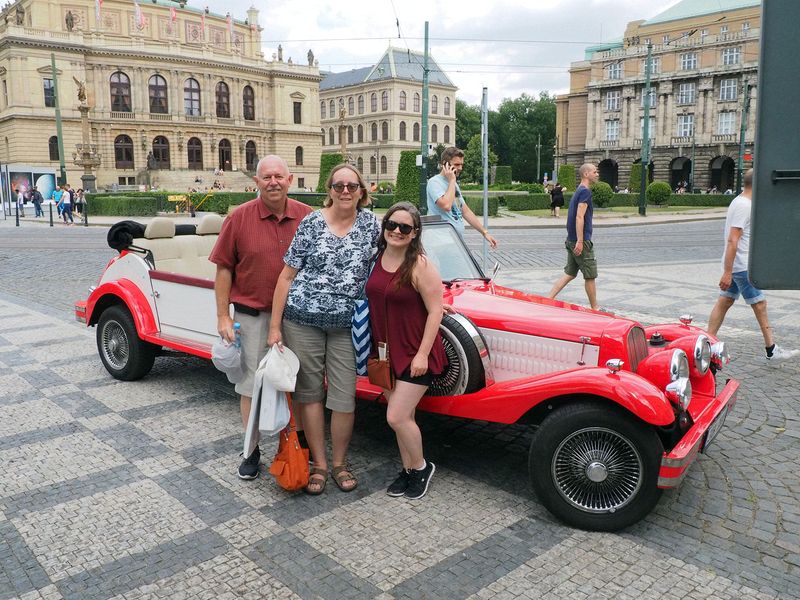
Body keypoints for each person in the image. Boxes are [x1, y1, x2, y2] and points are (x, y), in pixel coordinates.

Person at [269, 164, 380, 495]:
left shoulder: (373, 226)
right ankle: (318, 463)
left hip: (348, 324)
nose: (345, 191)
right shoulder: (312, 224)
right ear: (329, 190)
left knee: (344, 396)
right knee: (310, 394)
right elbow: (287, 276)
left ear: (362, 191)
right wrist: (275, 326)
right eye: (338, 185)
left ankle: (339, 463)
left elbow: (400, 261)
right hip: (302, 319)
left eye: (352, 186)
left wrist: (433, 295)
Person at [209, 155, 313, 480]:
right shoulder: (239, 218)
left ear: (290, 179)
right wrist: (223, 317)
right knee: (251, 385)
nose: (273, 182)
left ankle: (299, 443)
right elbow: (224, 269)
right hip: (253, 317)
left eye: (279, 176)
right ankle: (251, 450)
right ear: (256, 182)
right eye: (266, 177)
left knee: (301, 382)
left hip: (297, 317)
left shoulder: (307, 217)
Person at [366, 202, 446, 499]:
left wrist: (423, 354)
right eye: (392, 225)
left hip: (415, 352)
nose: (397, 231)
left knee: (396, 417)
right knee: (404, 416)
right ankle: (409, 469)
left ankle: (422, 467)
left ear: (415, 233)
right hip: (384, 352)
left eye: (405, 228)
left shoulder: (419, 265)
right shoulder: (377, 257)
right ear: (384, 227)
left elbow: (435, 310)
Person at [707, 169, 798, 364]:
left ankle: (705, 342)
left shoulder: (741, 201)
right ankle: (772, 350)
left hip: (737, 264)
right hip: (741, 265)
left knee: (725, 302)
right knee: (760, 304)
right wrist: (728, 272)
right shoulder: (744, 205)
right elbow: (733, 240)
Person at [547, 163, 600, 310]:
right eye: (595, 172)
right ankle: (595, 309)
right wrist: (581, 241)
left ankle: (547, 300)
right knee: (590, 275)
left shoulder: (579, 190)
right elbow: (579, 217)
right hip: (579, 240)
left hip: (571, 239)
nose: (597, 174)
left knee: (570, 273)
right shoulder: (585, 192)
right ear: (586, 174)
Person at [426, 146, 498, 248]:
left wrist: (484, 232)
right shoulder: (434, 182)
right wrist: (452, 180)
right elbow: (446, 205)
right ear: (445, 164)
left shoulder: (454, 184)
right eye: (456, 164)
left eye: (461, 164)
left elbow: (465, 211)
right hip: (441, 243)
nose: (460, 168)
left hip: (455, 241)